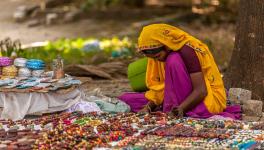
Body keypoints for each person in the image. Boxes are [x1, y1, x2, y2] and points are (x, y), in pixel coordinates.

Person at [118, 24, 241, 119]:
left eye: (157, 56)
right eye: (153, 58)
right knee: (125, 99)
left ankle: (172, 107)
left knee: (173, 60)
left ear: (166, 45)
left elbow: (201, 91)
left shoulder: (187, 51)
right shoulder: (158, 55)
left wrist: (181, 109)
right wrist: (148, 108)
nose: (157, 60)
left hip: (205, 99)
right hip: (177, 96)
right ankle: (169, 106)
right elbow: (161, 89)